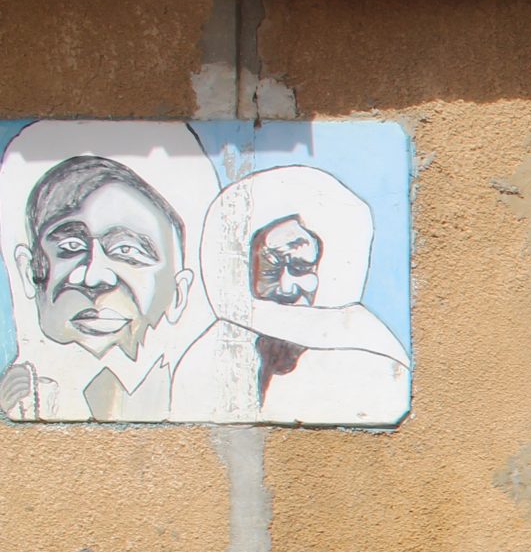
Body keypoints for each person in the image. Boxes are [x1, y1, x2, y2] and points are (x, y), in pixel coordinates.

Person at [0, 122, 218, 422]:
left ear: (179, 292)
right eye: (70, 245)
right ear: (29, 272)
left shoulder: (199, 398)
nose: (94, 276)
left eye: (127, 251)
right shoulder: (21, 398)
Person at [169, 165, 411, 426]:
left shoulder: (369, 354)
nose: (287, 287)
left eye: (300, 268)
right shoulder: (207, 358)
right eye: (271, 269)